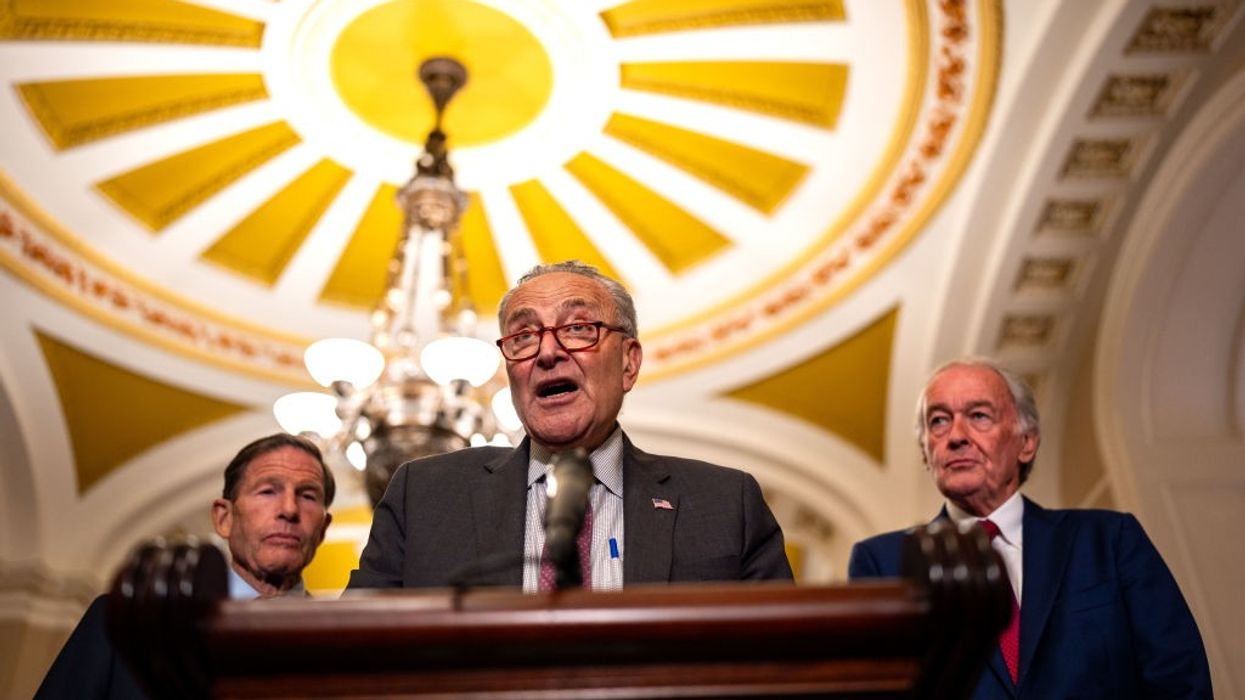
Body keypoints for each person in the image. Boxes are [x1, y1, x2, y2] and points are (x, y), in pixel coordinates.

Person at [348, 261, 792, 591]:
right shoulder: (423, 496)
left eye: (578, 328)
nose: (546, 353)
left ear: (629, 363)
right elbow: (351, 652)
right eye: (522, 337)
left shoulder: (726, 504)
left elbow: (787, 665)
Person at [848, 358, 1211, 698]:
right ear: (926, 452)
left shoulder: (1108, 539)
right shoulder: (883, 563)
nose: (955, 435)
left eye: (978, 416)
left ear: (1026, 442)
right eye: (938, 421)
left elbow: (1178, 677)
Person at [35, 433, 335, 699]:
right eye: (268, 491)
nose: (289, 509)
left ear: (322, 529)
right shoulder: (123, 623)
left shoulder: (341, 642)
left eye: (307, 495)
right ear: (224, 518)